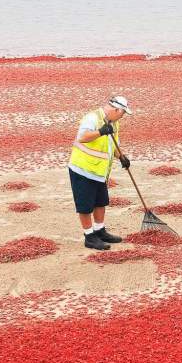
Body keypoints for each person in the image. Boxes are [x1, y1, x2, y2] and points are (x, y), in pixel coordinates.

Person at [68, 95, 132, 251]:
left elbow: (112, 145)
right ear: (116, 110)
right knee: (85, 205)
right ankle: (89, 236)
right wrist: (101, 131)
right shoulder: (92, 118)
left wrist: (121, 157)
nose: (123, 116)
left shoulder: (114, 123)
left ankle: (99, 230)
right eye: (123, 113)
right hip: (83, 169)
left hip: (100, 171)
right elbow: (82, 137)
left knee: (100, 202)